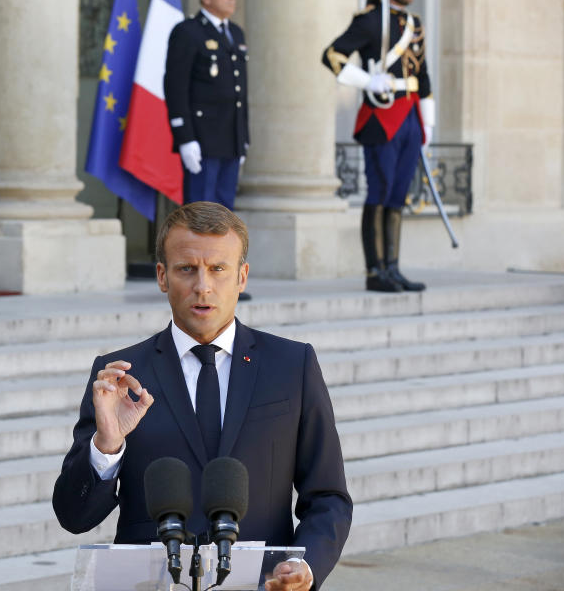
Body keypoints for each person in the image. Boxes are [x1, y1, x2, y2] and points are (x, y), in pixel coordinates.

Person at [52, 202, 351, 591]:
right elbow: (74, 516)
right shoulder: (121, 376)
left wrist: (303, 563)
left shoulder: (292, 366)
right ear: (162, 276)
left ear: (242, 276)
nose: (203, 286)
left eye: (218, 269)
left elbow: (328, 496)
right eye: (187, 269)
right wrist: (107, 445)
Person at [321, 0, 433, 293]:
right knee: (380, 191)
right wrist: (366, 81)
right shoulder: (370, 21)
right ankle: (375, 270)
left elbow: (423, 77)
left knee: (398, 193)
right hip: (381, 116)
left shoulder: (414, 24)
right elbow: (332, 54)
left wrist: (428, 122)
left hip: (410, 116)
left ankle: (393, 267)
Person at [164, 0, 248, 210]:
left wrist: (243, 137)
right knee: (201, 213)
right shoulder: (188, 32)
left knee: (224, 215)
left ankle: (221, 252)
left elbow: (240, 90)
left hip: (230, 139)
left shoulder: (236, 33)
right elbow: (175, 87)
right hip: (202, 140)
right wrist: (185, 138)